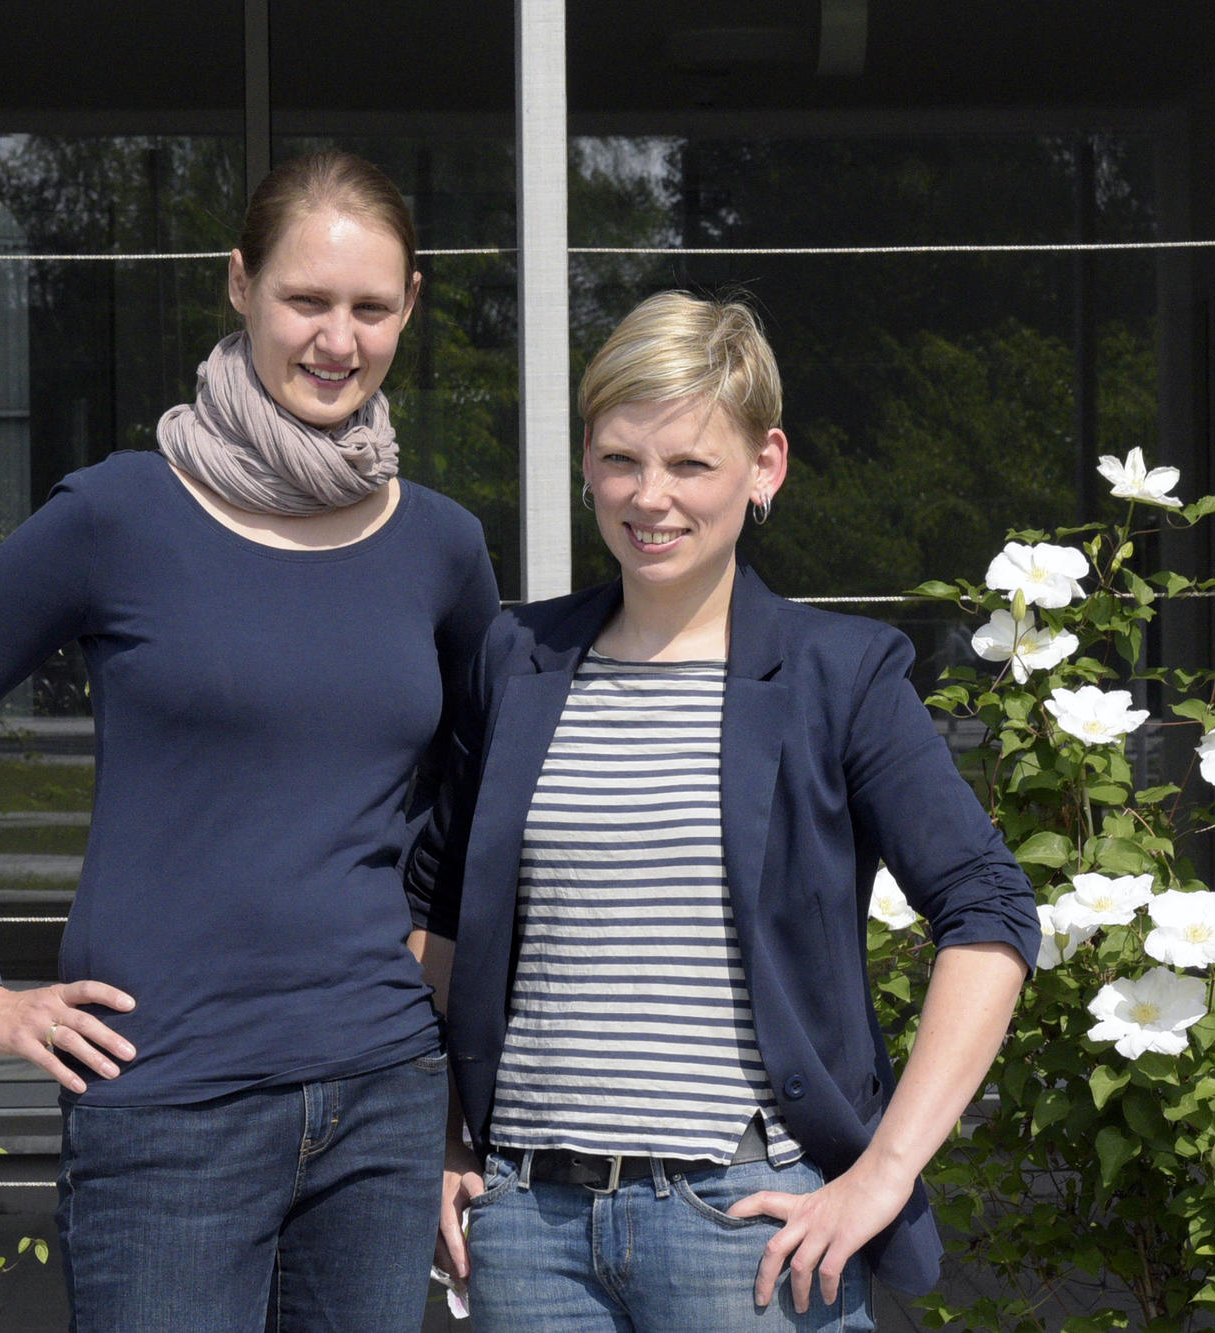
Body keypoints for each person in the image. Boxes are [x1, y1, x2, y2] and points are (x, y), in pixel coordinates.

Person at [0, 150, 499, 1332]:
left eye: (368, 306)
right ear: (238, 285)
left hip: (382, 1097)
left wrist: (428, 978)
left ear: (410, 309)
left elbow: (473, 783)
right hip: (167, 1103)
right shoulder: (117, 516)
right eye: (306, 299)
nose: (335, 340)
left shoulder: (439, 547)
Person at [408, 292, 1039, 1331]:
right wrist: (438, 1137)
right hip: (525, 1229)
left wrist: (881, 1172)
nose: (648, 496)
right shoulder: (515, 660)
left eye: (689, 464)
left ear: (765, 466)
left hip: (744, 1231)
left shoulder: (839, 675)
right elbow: (434, 907)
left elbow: (988, 912)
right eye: (619, 459)